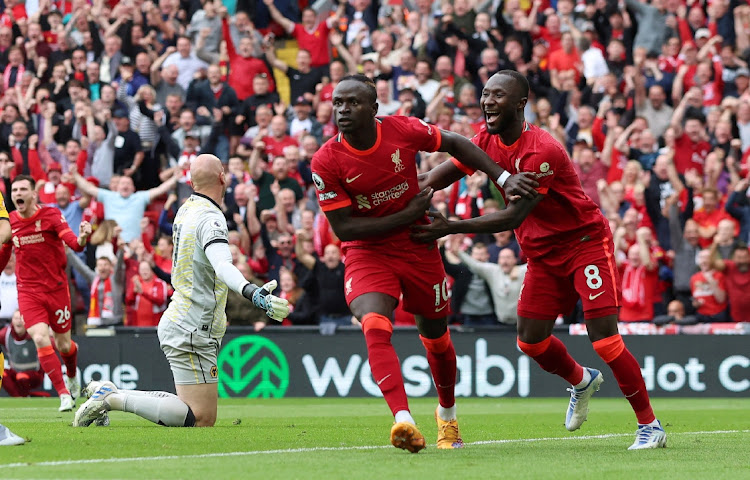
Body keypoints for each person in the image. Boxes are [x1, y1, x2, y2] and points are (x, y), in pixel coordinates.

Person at [414, 71, 666, 450]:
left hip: (583, 244)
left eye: (497, 95)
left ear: (520, 103)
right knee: (530, 342)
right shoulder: (486, 139)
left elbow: (514, 216)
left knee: (606, 340)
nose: (487, 102)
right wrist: (396, 193)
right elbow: (441, 174)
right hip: (543, 255)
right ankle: (581, 380)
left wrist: (452, 226)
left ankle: (650, 426)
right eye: (484, 94)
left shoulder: (540, 151)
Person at [310, 74, 537, 453]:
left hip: (418, 246)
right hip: (368, 250)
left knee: (437, 339)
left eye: (352, 103)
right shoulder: (325, 161)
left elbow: (457, 143)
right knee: (374, 324)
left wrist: (501, 176)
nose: (343, 111)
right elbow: (344, 225)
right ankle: (403, 420)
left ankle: (447, 417)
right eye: (337, 103)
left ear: (374, 109)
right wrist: (406, 214)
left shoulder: (402, 129)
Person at [74, 154, 289, 428]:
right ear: (223, 178)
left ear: (190, 181)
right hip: (193, 324)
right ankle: (113, 398)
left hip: (184, 317)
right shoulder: (211, 218)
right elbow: (222, 265)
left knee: (196, 411)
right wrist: (252, 292)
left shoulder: (186, 209)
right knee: (200, 417)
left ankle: (113, 395)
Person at [0, 175, 92, 412]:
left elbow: (74, 243)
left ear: (33, 194)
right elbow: (4, 253)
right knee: (40, 337)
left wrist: (82, 236)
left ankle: (71, 375)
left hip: (57, 290)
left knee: (64, 346)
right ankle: (63, 394)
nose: (18, 193)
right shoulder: (10, 222)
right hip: (29, 292)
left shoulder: (50, 216)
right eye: (14, 190)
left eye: (22, 189)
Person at [0, 310, 45, 397]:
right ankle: (19, 398)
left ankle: (27, 396)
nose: (18, 321)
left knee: (21, 376)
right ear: (12, 320)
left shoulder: (34, 333)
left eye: (21, 318)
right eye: (16, 318)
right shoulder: (5, 334)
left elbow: (50, 342)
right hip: (15, 372)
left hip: (35, 374)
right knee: (2, 373)